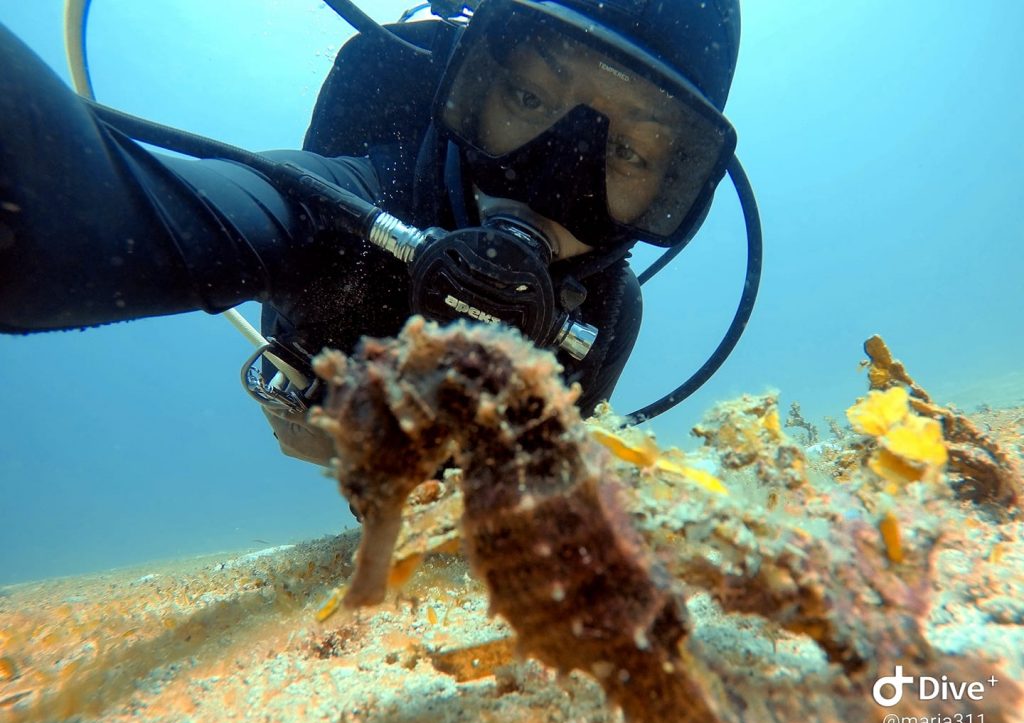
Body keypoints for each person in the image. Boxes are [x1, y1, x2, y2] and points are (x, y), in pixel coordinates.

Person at [0, 0, 741, 465]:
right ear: (470, 85)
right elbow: (70, 218)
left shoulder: (604, 319)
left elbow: (533, 481)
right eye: (527, 95)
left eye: (630, 151)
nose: (552, 177)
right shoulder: (338, 203)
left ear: (679, 188)